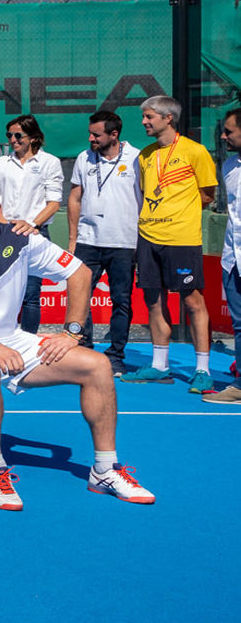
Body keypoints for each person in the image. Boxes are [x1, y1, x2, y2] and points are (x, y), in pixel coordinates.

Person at [0, 178, 154, 509]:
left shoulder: (21, 239)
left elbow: (80, 273)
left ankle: (104, 469)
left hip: (14, 342)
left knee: (98, 366)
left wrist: (71, 332)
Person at [121, 96, 217, 393]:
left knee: (192, 302)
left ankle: (202, 370)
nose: (143, 122)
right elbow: (146, 193)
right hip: (148, 237)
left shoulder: (195, 151)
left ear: (168, 119)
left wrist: (179, 214)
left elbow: (208, 195)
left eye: (149, 117)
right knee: (154, 301)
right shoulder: (145, 155)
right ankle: (160, 366)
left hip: (182, 239)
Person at [67, 110, 140, 375]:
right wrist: (73, 239)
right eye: (90, 133)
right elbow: (75, 198)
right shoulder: (84, 158)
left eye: (96, 134)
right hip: (88, 241)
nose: (91, 138)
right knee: (79, 296)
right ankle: (83, 350)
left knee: (121, 301)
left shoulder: (136, 158)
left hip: (124, 242)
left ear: (114, 134)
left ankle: (115, 357)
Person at [0, 115, 63, 334]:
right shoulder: (2, 163)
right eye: (9, 135)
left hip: (35, 234)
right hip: (4, 233)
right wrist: (3, 222)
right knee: (0, 292)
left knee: (31, 295)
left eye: (18, 135)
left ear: (32, 137)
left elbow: (53, 203)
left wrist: (30, 224)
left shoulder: (50, 162)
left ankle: (28, 343)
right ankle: (1, 339)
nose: (13, 139)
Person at [206, 108, 241, 403]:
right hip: (233, 260)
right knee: (239, 324)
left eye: (229, 131)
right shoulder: (230, 166)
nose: (223, 136)